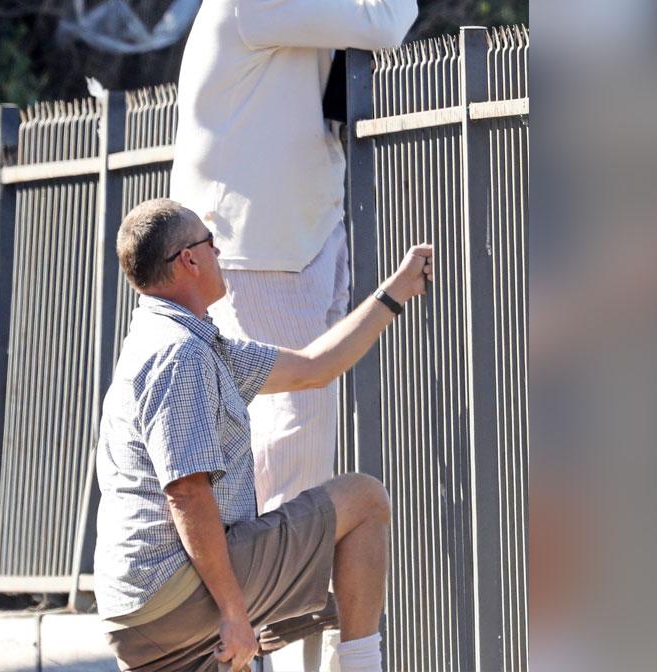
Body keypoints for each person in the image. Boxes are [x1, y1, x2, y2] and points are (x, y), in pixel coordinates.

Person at [169, 0, 420, 522]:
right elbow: (382, 24)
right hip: (257, 247)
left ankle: (282, 598)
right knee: (289, 424)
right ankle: (276, 600)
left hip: (303, 235)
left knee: (301, 421)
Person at [93, 199, 432, 672]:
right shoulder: (179, 355)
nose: (219, 253)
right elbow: (187, 493)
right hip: (169, 593)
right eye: (211, 244)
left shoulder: (187, 343)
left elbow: (316, 368)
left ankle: (274, 616)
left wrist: (394, 294)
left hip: (138, 609)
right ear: (189, 260)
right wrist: (234, 614)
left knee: (330, 581)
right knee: (364, 499)